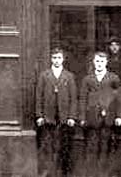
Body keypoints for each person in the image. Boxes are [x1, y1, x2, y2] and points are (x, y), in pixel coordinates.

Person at [79, 51, 121, 177]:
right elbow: (82, 99)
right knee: (92, 148)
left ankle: (104, 174)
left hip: (108, 118)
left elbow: (119, 99)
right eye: (97, 61)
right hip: (92, 118)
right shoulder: (87, 79)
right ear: (94, 62)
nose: (99, 64)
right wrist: (82, 117)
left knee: (106, 147)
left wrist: (120, 116)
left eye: (102, 61)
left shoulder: (113, 78)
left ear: (106, 62)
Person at [35, 48, 78, 177]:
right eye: (54, 58)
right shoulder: (44, 75)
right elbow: (39, 96)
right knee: (48, 146)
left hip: (64, 117)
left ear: (63, 59)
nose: (57, 60)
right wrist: (39, 115)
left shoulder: (69, 76)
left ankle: (63, 173)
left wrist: (72, 116)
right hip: (48, 117)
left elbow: (73, 97)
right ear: (51, 59)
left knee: (63, 146)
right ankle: (49, 173)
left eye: (59, 58)